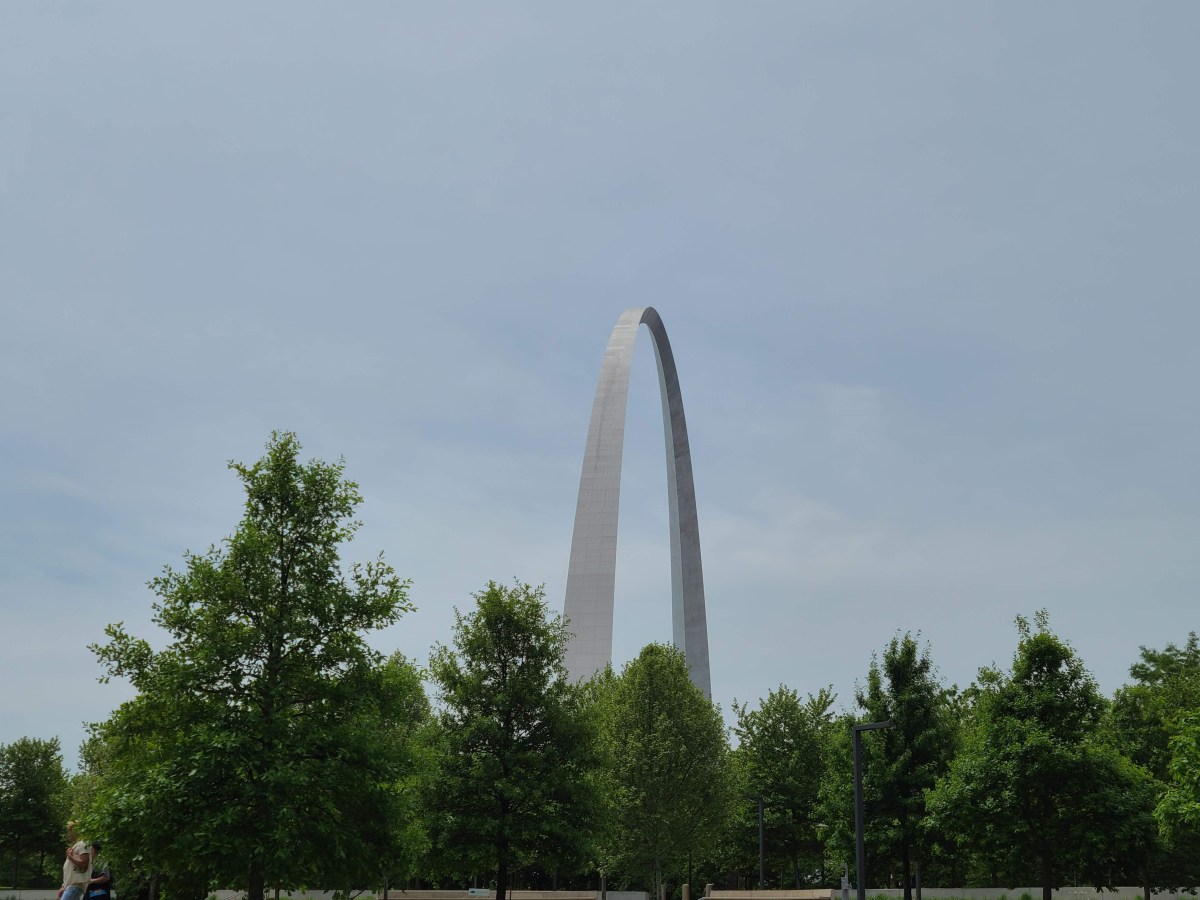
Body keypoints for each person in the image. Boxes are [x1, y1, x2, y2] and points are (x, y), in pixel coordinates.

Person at [58, 821, 93, 900]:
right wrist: (64, 886)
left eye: (69, 831)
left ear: (75, 831)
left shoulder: (83, 844)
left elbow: (84, 864)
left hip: (75, 886)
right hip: (72, 886)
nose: (68, 835)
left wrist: (70, 857)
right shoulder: (78, 845)